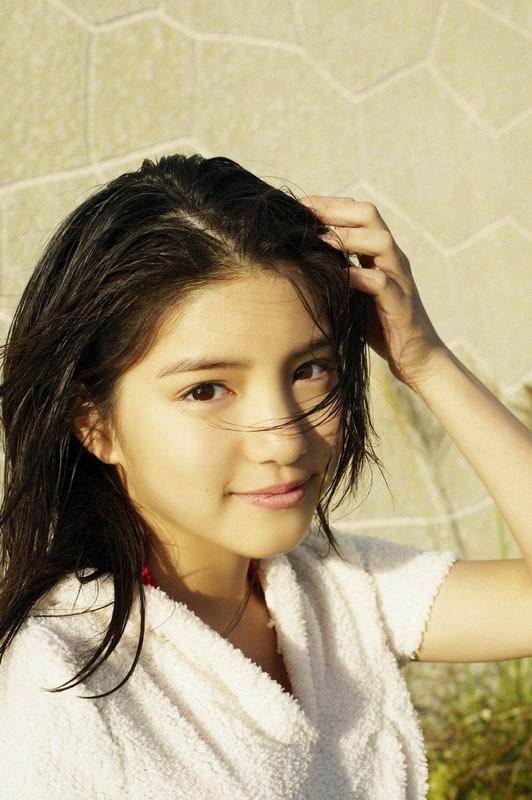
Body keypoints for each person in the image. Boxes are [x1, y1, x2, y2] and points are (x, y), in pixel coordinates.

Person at [0, 154, 530, 799]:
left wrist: (425, 361)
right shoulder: (57, 682)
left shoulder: (330, 590)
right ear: (95, 423)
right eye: (206, 390)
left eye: (310, 370)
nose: (284, 439)